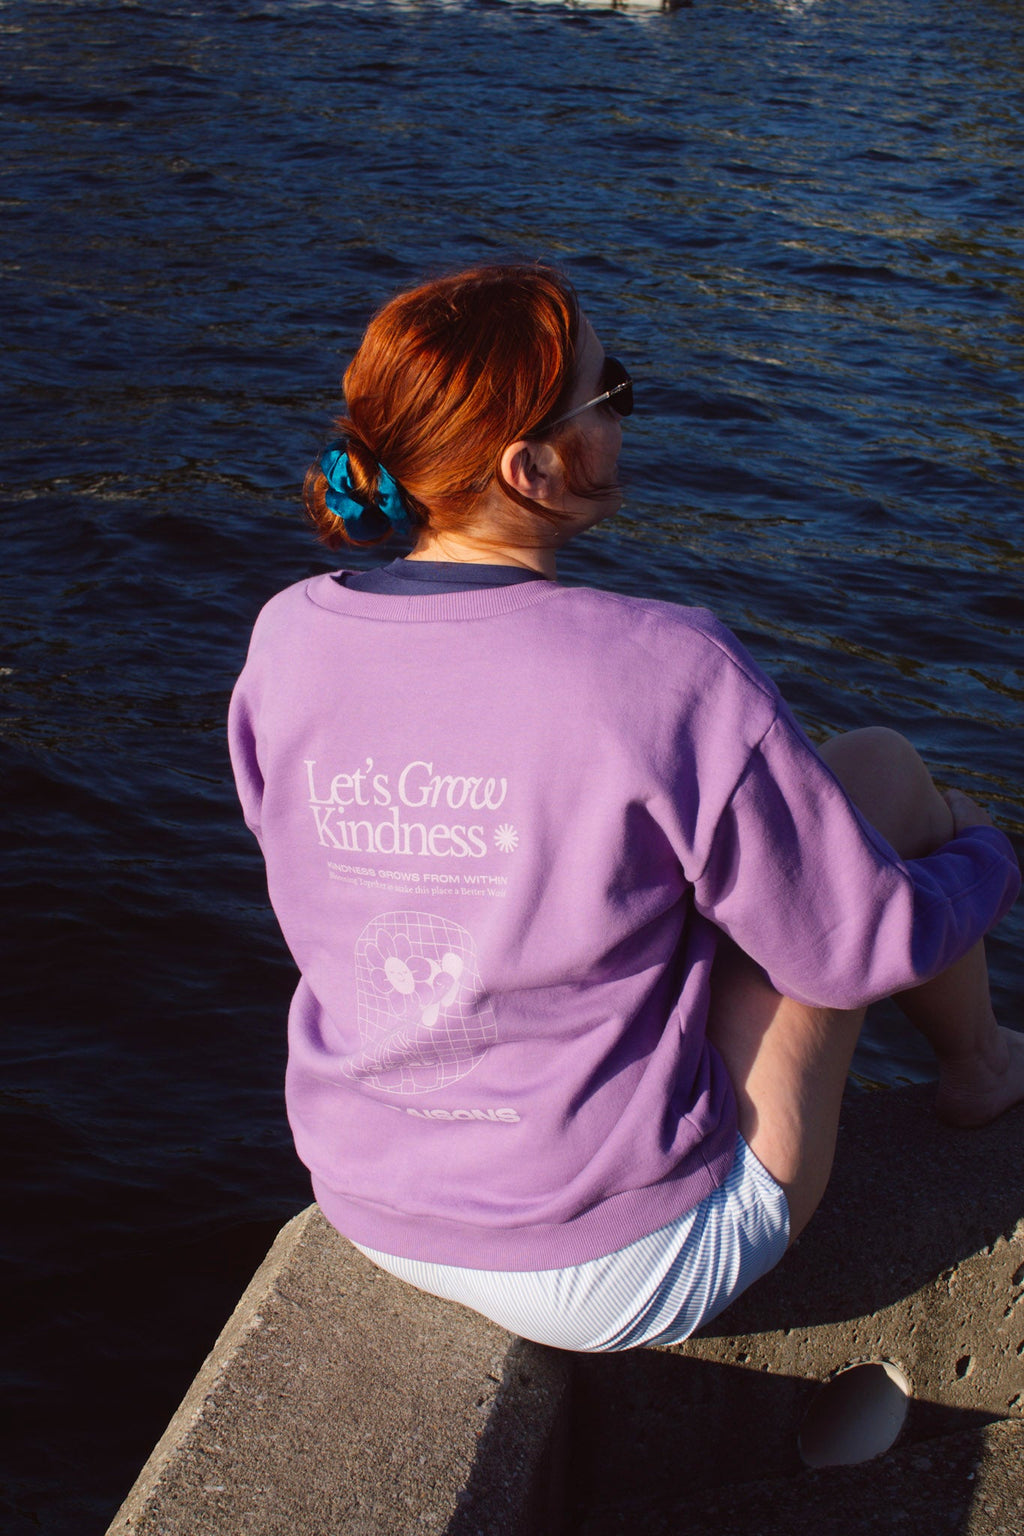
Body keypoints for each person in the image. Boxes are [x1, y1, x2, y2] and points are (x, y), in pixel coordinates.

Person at [228, 264, 1021, 1352]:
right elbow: (852, 953)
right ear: (531, 467)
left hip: (371, 1200)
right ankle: (981, 1070)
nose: (625, 416)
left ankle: (978, 1058)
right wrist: (985, 851)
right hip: (624, 1263)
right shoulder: (661, 663)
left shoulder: (287, 637)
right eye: (613, 395)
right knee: (886, 779)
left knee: (798, 816)